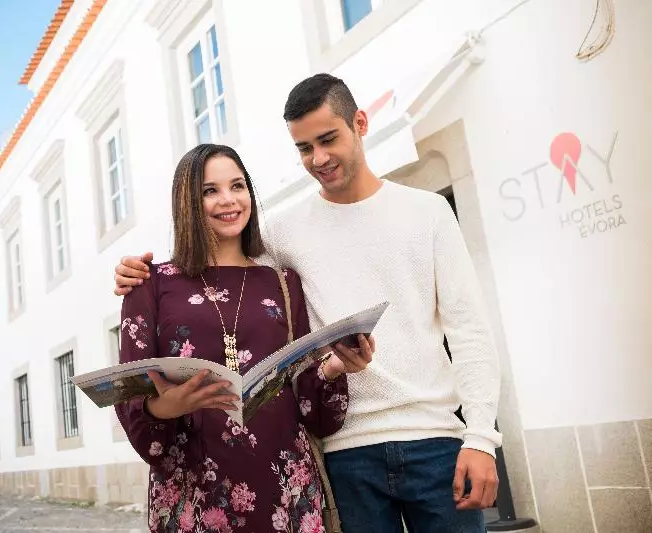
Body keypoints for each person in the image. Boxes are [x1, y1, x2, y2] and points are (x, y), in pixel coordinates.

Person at [114, 74, 502, 532]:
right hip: (346, 453)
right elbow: (216, 267)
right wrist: (136, 274)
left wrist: (481, 436)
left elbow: (470, 332)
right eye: (303, 148)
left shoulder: (428, 213)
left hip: (435, 439)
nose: (318, 158)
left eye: (328, 139)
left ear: (360, 123)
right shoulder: (283, 235)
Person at [114, 142, 374, 533]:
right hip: (194, 495)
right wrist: (166, 407)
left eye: (238, 186)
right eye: (210, 190)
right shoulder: (149, 284)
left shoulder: (284, 284)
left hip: (288, 490)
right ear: (187, 201)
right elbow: (133, 399)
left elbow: (309, 404)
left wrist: (335, 367)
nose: (228, 200)